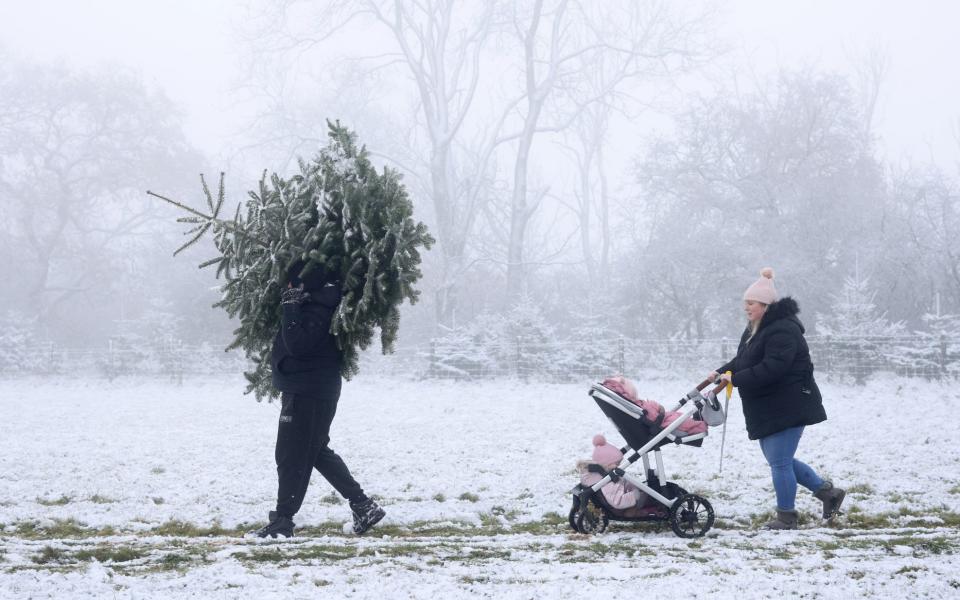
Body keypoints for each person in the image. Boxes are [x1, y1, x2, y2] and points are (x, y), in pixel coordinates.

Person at [252, 260, 385, 538]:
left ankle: (283, 520)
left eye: (291, 284)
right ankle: (363, 505)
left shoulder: (318, 309)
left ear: (302, 284)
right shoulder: (319, 303)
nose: (287, 288)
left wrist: (290, 306)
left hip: (308, 392)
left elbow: (298, 345)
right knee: (316, 452)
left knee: (290, 455)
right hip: (308, 389)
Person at [708, 267, 845, 530]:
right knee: (780, 460)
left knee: (780, 462)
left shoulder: (783, 331)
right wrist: (723, 371)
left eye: (751, 303)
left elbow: (773, 367)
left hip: (790, 404)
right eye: (745, 303)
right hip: (770, 404)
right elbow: (743, 361)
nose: (746, 307)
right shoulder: (755, 329)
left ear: (766, 305)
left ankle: (786, 517)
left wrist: (735, 379)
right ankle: (829, 494)